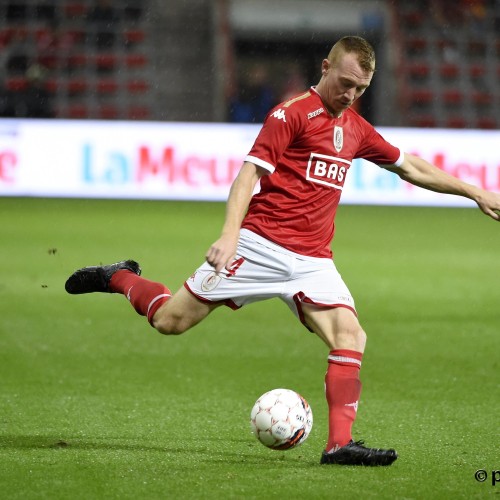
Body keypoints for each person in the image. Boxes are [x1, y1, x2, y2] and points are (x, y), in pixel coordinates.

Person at [65, 36, 500, 466]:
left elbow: (411, 166)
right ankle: (119, 276)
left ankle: (339, 445)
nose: (350, 94)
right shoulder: (290, 115)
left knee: (350, 336)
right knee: (169, 321)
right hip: (259, 245)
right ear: (326, 67)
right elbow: (247, 175)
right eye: (345, 82)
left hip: (313, 262)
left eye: (361, 89)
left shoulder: (355, 129)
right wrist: (230, 235)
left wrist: (474, 191)